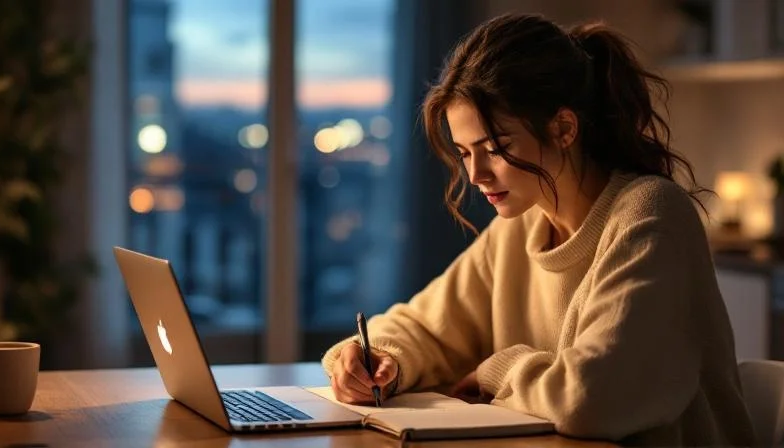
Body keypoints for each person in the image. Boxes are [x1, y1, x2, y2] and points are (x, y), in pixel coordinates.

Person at [320, 13, 755, 446]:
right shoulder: (521, 227)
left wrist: (500, 369)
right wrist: (379, 358)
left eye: (496, 148)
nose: (476, 176)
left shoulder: (650, 214)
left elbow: (591, 399)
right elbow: (426, 328)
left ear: (564, 128)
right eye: (465, 153)